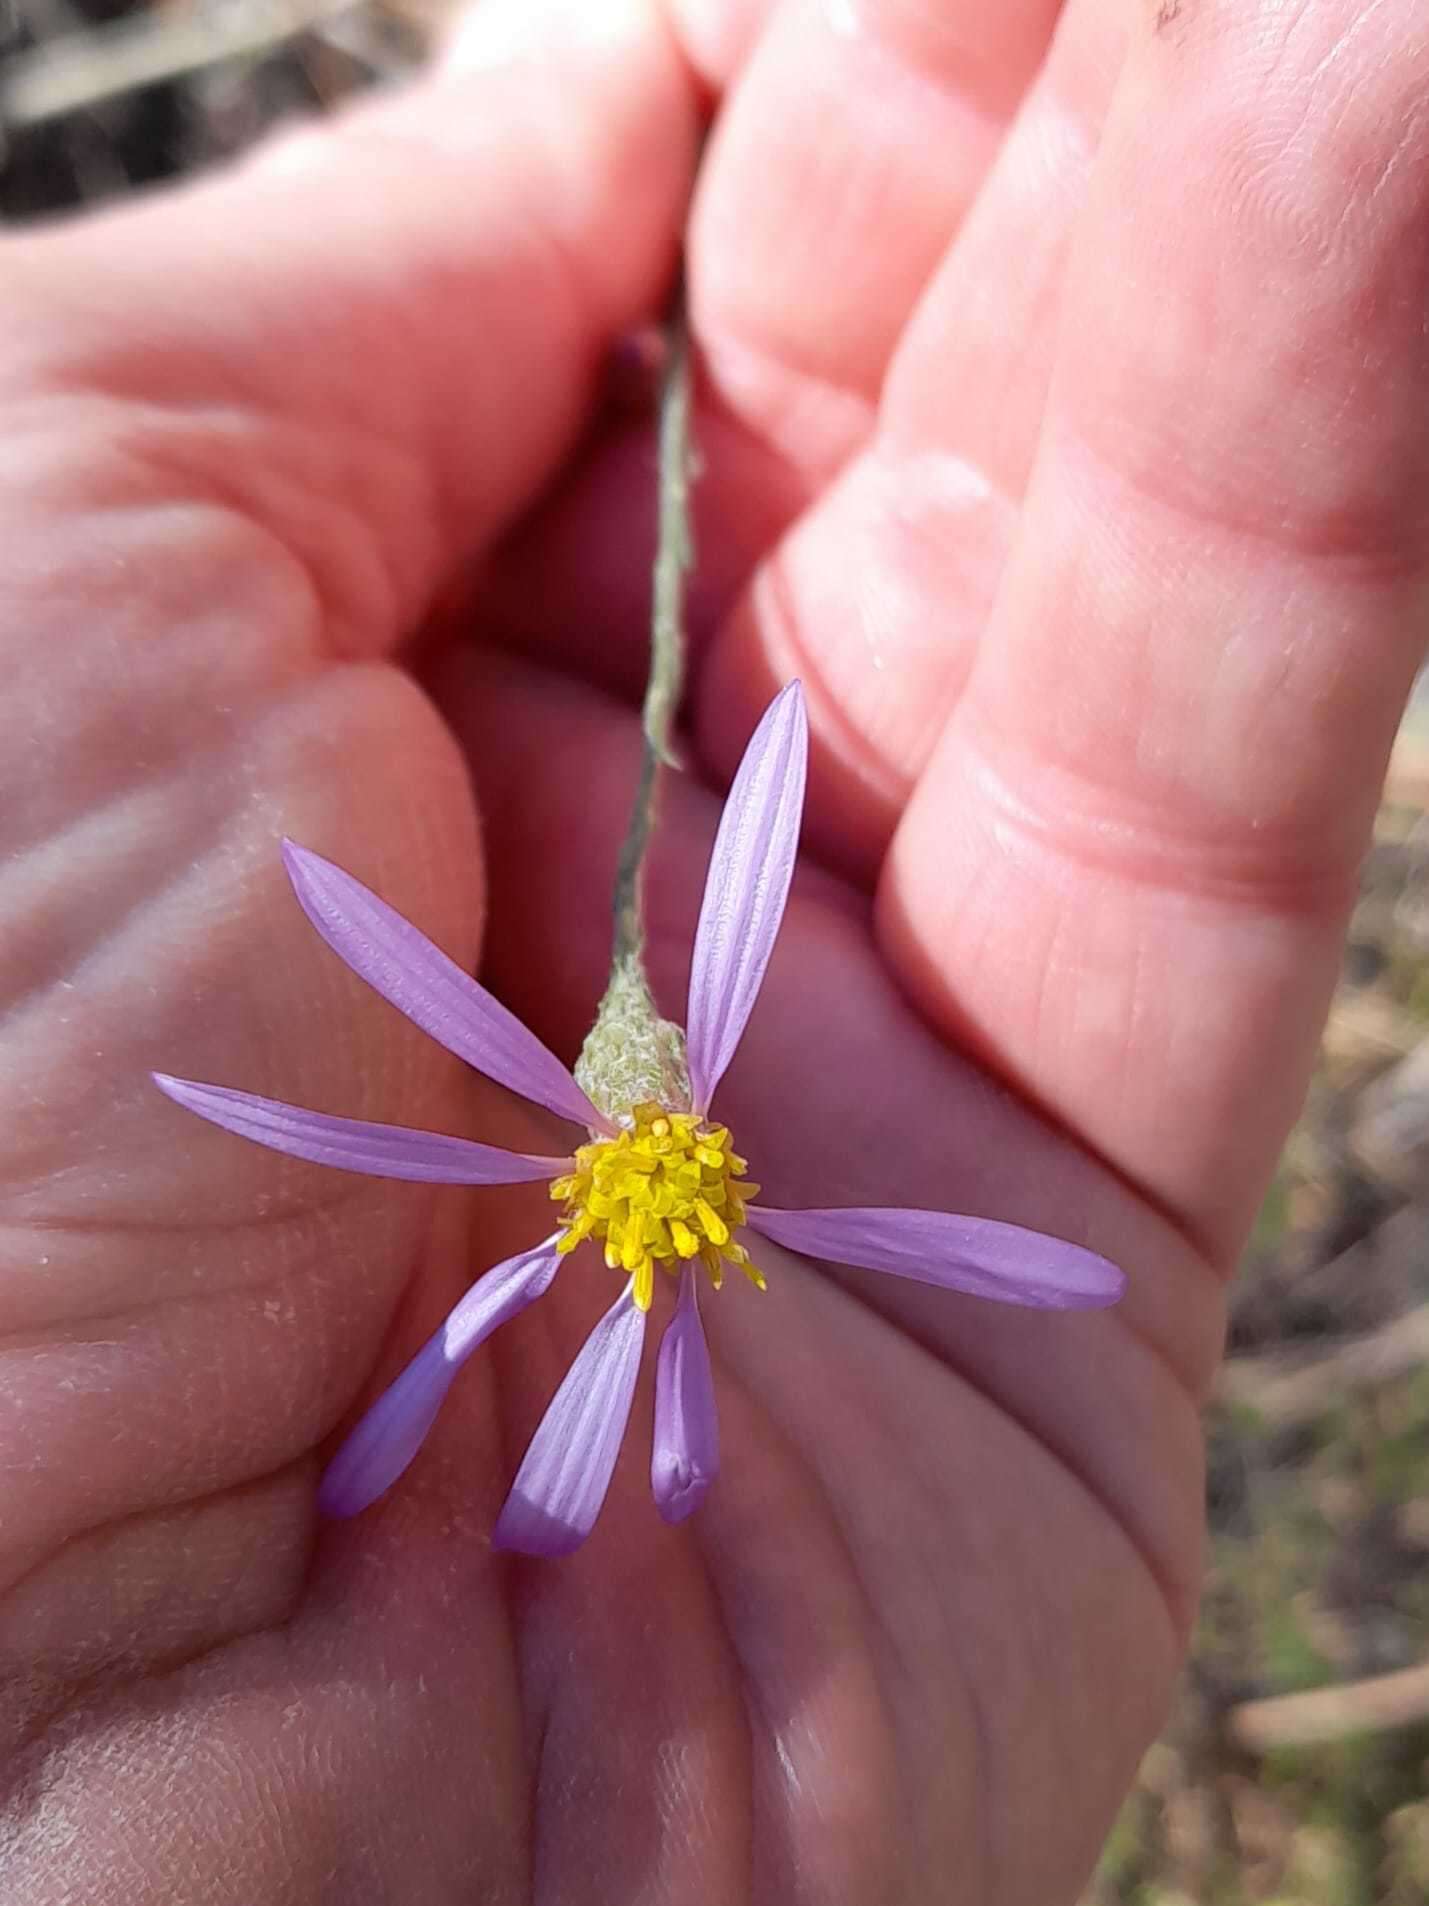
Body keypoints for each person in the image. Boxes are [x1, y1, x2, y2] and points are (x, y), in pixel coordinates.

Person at [0, 0, 1423, 1899]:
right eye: (653, 1168)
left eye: (646, 1161)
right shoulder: (641, 1197)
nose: (660, 1179)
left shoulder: (648, 1160)